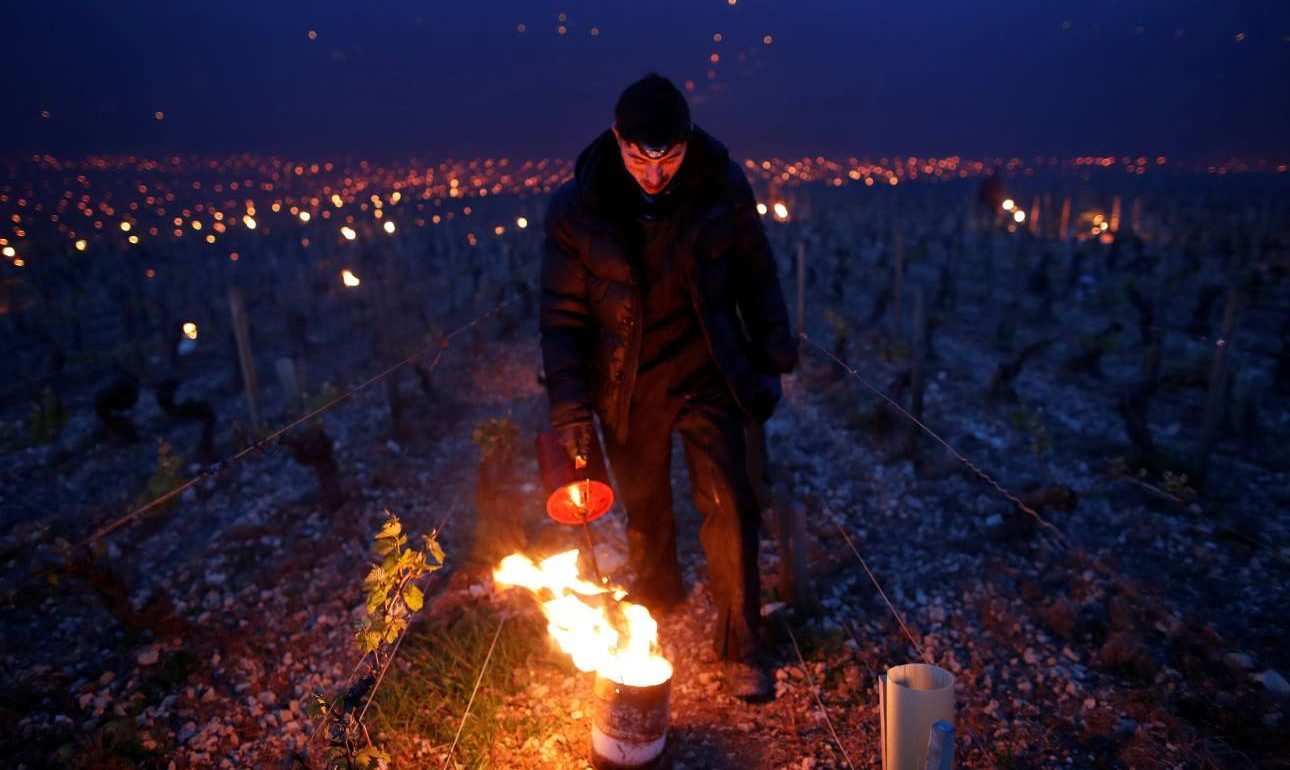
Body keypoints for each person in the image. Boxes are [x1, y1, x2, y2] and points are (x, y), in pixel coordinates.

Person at [539, 73, 797, 700]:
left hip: (709, 368)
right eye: (638, 158)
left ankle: (742, 644)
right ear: (617, 136)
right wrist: (571, 410)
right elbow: (563, 316)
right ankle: (655, 599)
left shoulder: (721, 188)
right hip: (627, 381)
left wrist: (771, 358)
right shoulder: (578, 206)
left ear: (687, 143)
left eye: (669, 159)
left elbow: (757, 276)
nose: (653, 176)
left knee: (730, 504)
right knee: (647, 507)